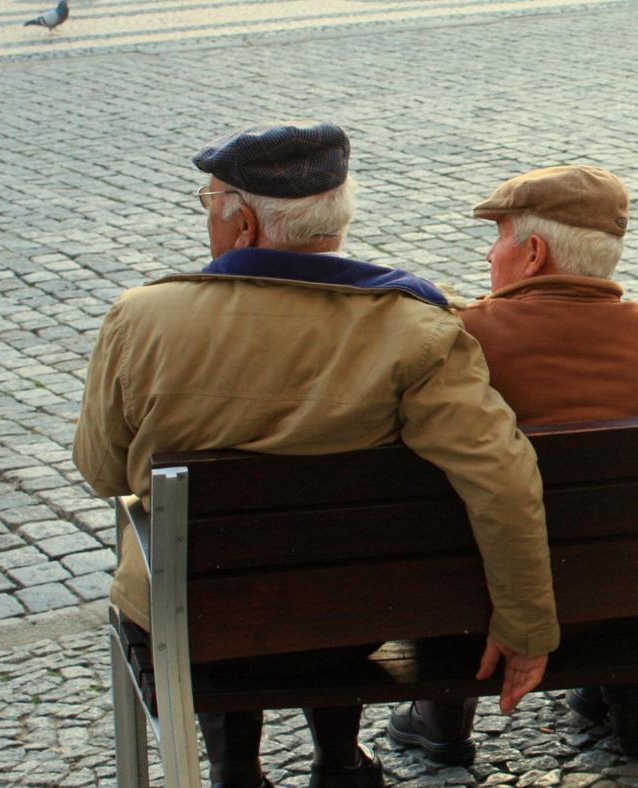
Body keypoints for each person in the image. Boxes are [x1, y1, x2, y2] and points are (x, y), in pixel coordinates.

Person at [73, 121, 559, 788]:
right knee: (325, 581)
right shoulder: (413, 326)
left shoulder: (141, 318)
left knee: (198, 578)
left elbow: (102, 470)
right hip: (349, 618)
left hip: (191, 619)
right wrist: (526, 625)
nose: (208, 216)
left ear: (242, 224)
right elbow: (501, 479)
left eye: (209, 202)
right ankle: (338, 762)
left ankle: (235, 770)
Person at [386, 164, 638, 761]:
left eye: (498, 236)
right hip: (631, 595)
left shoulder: (460, 338)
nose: (488, 254)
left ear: (532, 253)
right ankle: (630, 693)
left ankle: (444, 717)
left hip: (475, 602)